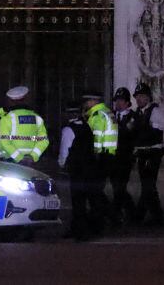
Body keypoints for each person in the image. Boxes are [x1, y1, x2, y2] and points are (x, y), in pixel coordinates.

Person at [59, 97, 111, 241]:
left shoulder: (68, 130)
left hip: (77, 171)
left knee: (78, 202)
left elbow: (65, 151)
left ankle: (80, 232)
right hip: (91, 169)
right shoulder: (87, 126)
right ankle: (93, 228)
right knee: (92, 200)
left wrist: (62, 164)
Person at [131, 82, 164, 226]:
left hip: (153, 152)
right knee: (148, 185)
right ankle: (154, 216)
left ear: (148, 97)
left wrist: (153, 125)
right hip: (142, 153)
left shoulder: (154, 111)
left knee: (148, 185)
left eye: (142, 96)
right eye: (137, 97)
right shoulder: (137, 113)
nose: (139, 99)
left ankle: (142, 216)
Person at [0, 86, 49, 166]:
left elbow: (4, 141)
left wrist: (19, 158)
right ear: (26, 100)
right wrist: (33, 156)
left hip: (11, 161)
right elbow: (43, 140)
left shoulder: (7, 118)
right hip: (31, 162)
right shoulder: (37, 118)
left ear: (10, 101)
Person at [109, 87, 137, 223]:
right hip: (113, 157)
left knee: (120, 186)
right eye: (116, 101)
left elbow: (129, 133)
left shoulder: (133, 116)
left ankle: (118, 213)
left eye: (121, 101)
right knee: (116, 186)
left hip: (125, 157)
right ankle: (126, 212)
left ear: (127, 103)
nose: (118, 104)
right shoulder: (111, 115)